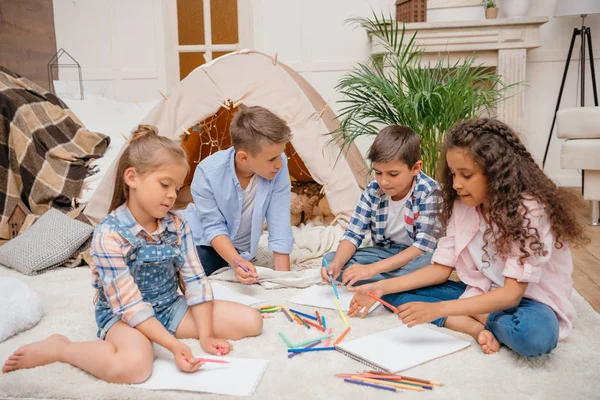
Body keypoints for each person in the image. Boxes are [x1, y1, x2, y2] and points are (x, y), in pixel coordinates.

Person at [2, 125, 262, 382]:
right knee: (134, 368)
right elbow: (129, 305)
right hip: (124, 316)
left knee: (251, 321)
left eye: (177, 187)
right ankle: (62, 348)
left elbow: (195, 280)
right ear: (132, 178)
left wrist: (205, 336)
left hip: (170, 307)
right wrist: (172, 345)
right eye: (164, 184)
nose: (172, 196)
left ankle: (163, 333)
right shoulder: (108, 234)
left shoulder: (178, 224)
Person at [349, 118, 589, 357]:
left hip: (528, 302)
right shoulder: (461, 204)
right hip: (478, 291)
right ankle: (470, 322)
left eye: (466, 175)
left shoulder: (528, 211)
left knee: (534, 335)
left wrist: (437, 309)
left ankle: (468, 315)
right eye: (453, 174)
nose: (456, 184)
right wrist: (379, 287)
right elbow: (441, 269)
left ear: (496, 172)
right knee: (385, 293)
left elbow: (511, 294)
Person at [181, 106, 294, 284]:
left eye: (280, 155)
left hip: (240, 247)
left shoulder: (279, 167)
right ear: (243, 158)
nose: (279, 164)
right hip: (204, 242)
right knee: (199, 272)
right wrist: (237, 263)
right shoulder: (208, 172)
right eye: (272, 159)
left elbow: (279, 220)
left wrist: (285, 280)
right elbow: (213, 228)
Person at [322, 125, 441, 288]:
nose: (384, 181)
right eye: (378, 173)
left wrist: (371, 270)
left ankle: (386, 282)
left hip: (416, 256)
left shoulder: (430, 192)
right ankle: (400, 283)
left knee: (430, 261)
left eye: (393, 174)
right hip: (385, 254)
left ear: (415, 168)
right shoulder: (373, 190)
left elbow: (422, 247)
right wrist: (337, 263)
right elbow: (353, 234)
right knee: (329, 260)